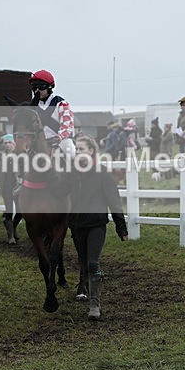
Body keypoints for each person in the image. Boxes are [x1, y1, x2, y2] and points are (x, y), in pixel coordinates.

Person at [69, 135, 128, 320]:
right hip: (77, 225)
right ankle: (83, 285)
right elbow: (59, 191)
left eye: (81, 149)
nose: (78, 152)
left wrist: (121, 228)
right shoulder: (72, 173)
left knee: (93, 263)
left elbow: (114, 200)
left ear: (91, 151)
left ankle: (95, 304)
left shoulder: (102, 173)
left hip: (96, 225)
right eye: (76, 149)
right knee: (83, 259)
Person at [28, 69, 76, 159]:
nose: (37, 90)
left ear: (49, 87)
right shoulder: (32, 106)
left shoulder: (61, 103)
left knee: (71, 152)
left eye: (41, 86)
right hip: (39, 142)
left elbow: (67, 124)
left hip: (60, 141)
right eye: (34, 87)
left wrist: (60, 136)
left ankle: (76, 172)